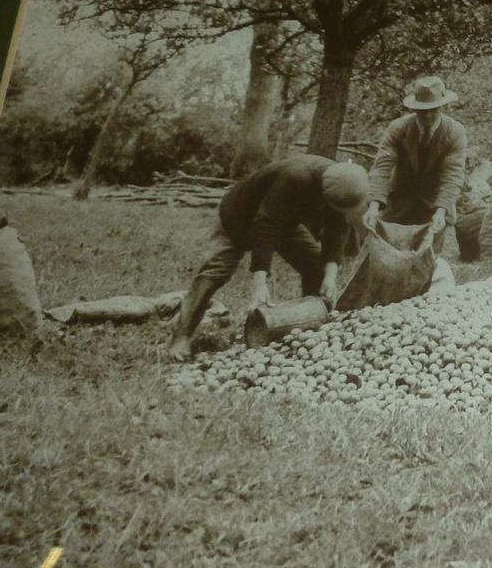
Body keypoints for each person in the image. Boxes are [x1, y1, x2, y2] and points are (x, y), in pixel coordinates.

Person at [167, 156, 370, 359]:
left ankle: (308, 325)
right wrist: (259, 284)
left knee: (316, 268)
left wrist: (330, 277)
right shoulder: (294, 177)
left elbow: (336, 232)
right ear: (324, 192)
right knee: (214, 273)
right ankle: (181, 336)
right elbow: (265, 226)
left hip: (284, 224)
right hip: (238, 218)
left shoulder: (343, 183)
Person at [364, 75, 468, 252]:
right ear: (414, 108)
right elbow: (383, 167)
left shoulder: (455, 132)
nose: (427, 115)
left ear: (443, 106)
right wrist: (374, 205)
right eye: (421, 110)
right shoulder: (398, 128)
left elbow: (453, 175)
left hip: (434, 204)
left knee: (427, 258)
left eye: (433, 109)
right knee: (387, 252)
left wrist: (441, 210)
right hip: (400, 200)